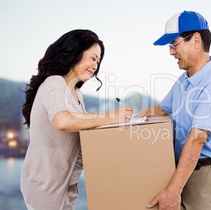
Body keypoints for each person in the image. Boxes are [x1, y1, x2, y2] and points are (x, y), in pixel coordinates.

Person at [20, 29, 133, 210]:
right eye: (93, 58)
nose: (95, 65)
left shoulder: (77, 95)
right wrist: (109, 117)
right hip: (44, 186)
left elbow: (83, 127)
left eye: (98, 61)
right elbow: (62, 122)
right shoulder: (54, 82)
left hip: (67, 186)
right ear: (75, 52)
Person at [137, 11, 211, 210]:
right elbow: (162, 109)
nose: (171, 52)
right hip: (185, 173)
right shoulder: (184, 81)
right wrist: (130, 120)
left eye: (174, 44)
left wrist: (173, 191)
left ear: (196, 40)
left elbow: (197, 138)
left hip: (209, 178)